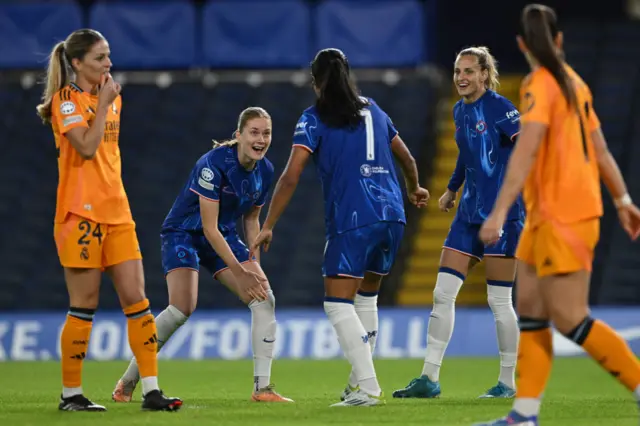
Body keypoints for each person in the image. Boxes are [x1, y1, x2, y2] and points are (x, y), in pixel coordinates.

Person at [474, 4, 640, 425]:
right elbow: (600, 149)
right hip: (550, 216)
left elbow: (526, 149)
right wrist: (623, 201)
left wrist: (497, 212)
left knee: (569, 318)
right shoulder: (575, 84)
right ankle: (524, 415)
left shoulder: (540, 85)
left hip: (564, 215)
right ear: (559, 40)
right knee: (529, 308)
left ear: (521, 45)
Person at [251, 48, 430, 407]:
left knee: (337, 303)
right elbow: (407, 158)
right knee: (367, 297)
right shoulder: (374, 108)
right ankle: (355, 386)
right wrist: (414, 189)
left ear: (315, 81)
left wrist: (268, 224)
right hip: (393, 215)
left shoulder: (314, 117)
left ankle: (367, 387)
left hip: (353, 217)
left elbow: (290, 176)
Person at [36, 29, 182, 412]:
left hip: (117, 212)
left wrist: (105, 102)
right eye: (100, 58)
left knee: (138, 301)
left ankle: (151, 390)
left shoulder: (112, 99)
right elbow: (85, 148)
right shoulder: (65, 100)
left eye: (109, 56)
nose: (108, 64)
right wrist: (102, 104)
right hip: (78, 215)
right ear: (78, 63)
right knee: (83, 305)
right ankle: (71, 396)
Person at [111, 107, 293, 404]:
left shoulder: (266, 170)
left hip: (222, 233)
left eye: (266, 133)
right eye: (254, 133)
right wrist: (240, 271)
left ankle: (263, 389)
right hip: (185, 232)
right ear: (239, 136)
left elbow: (250, 219)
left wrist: (254, 266)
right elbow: (208, 228)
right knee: (181, 308)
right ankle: (127, 382)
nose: (261, 139)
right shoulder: (213, 165)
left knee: (264, 298)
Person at [393, 46, 521, 400]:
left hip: (503, 216)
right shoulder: (458, 110)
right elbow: (466, 153)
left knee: (499, 301)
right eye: (457, 72)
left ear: (484, 74)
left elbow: (528, 151)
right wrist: (451, 189)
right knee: (441, 293)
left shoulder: (501, 108)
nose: (461, 78)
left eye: (468, 71)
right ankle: (429, 379)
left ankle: (507, 383)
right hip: (468, 214)